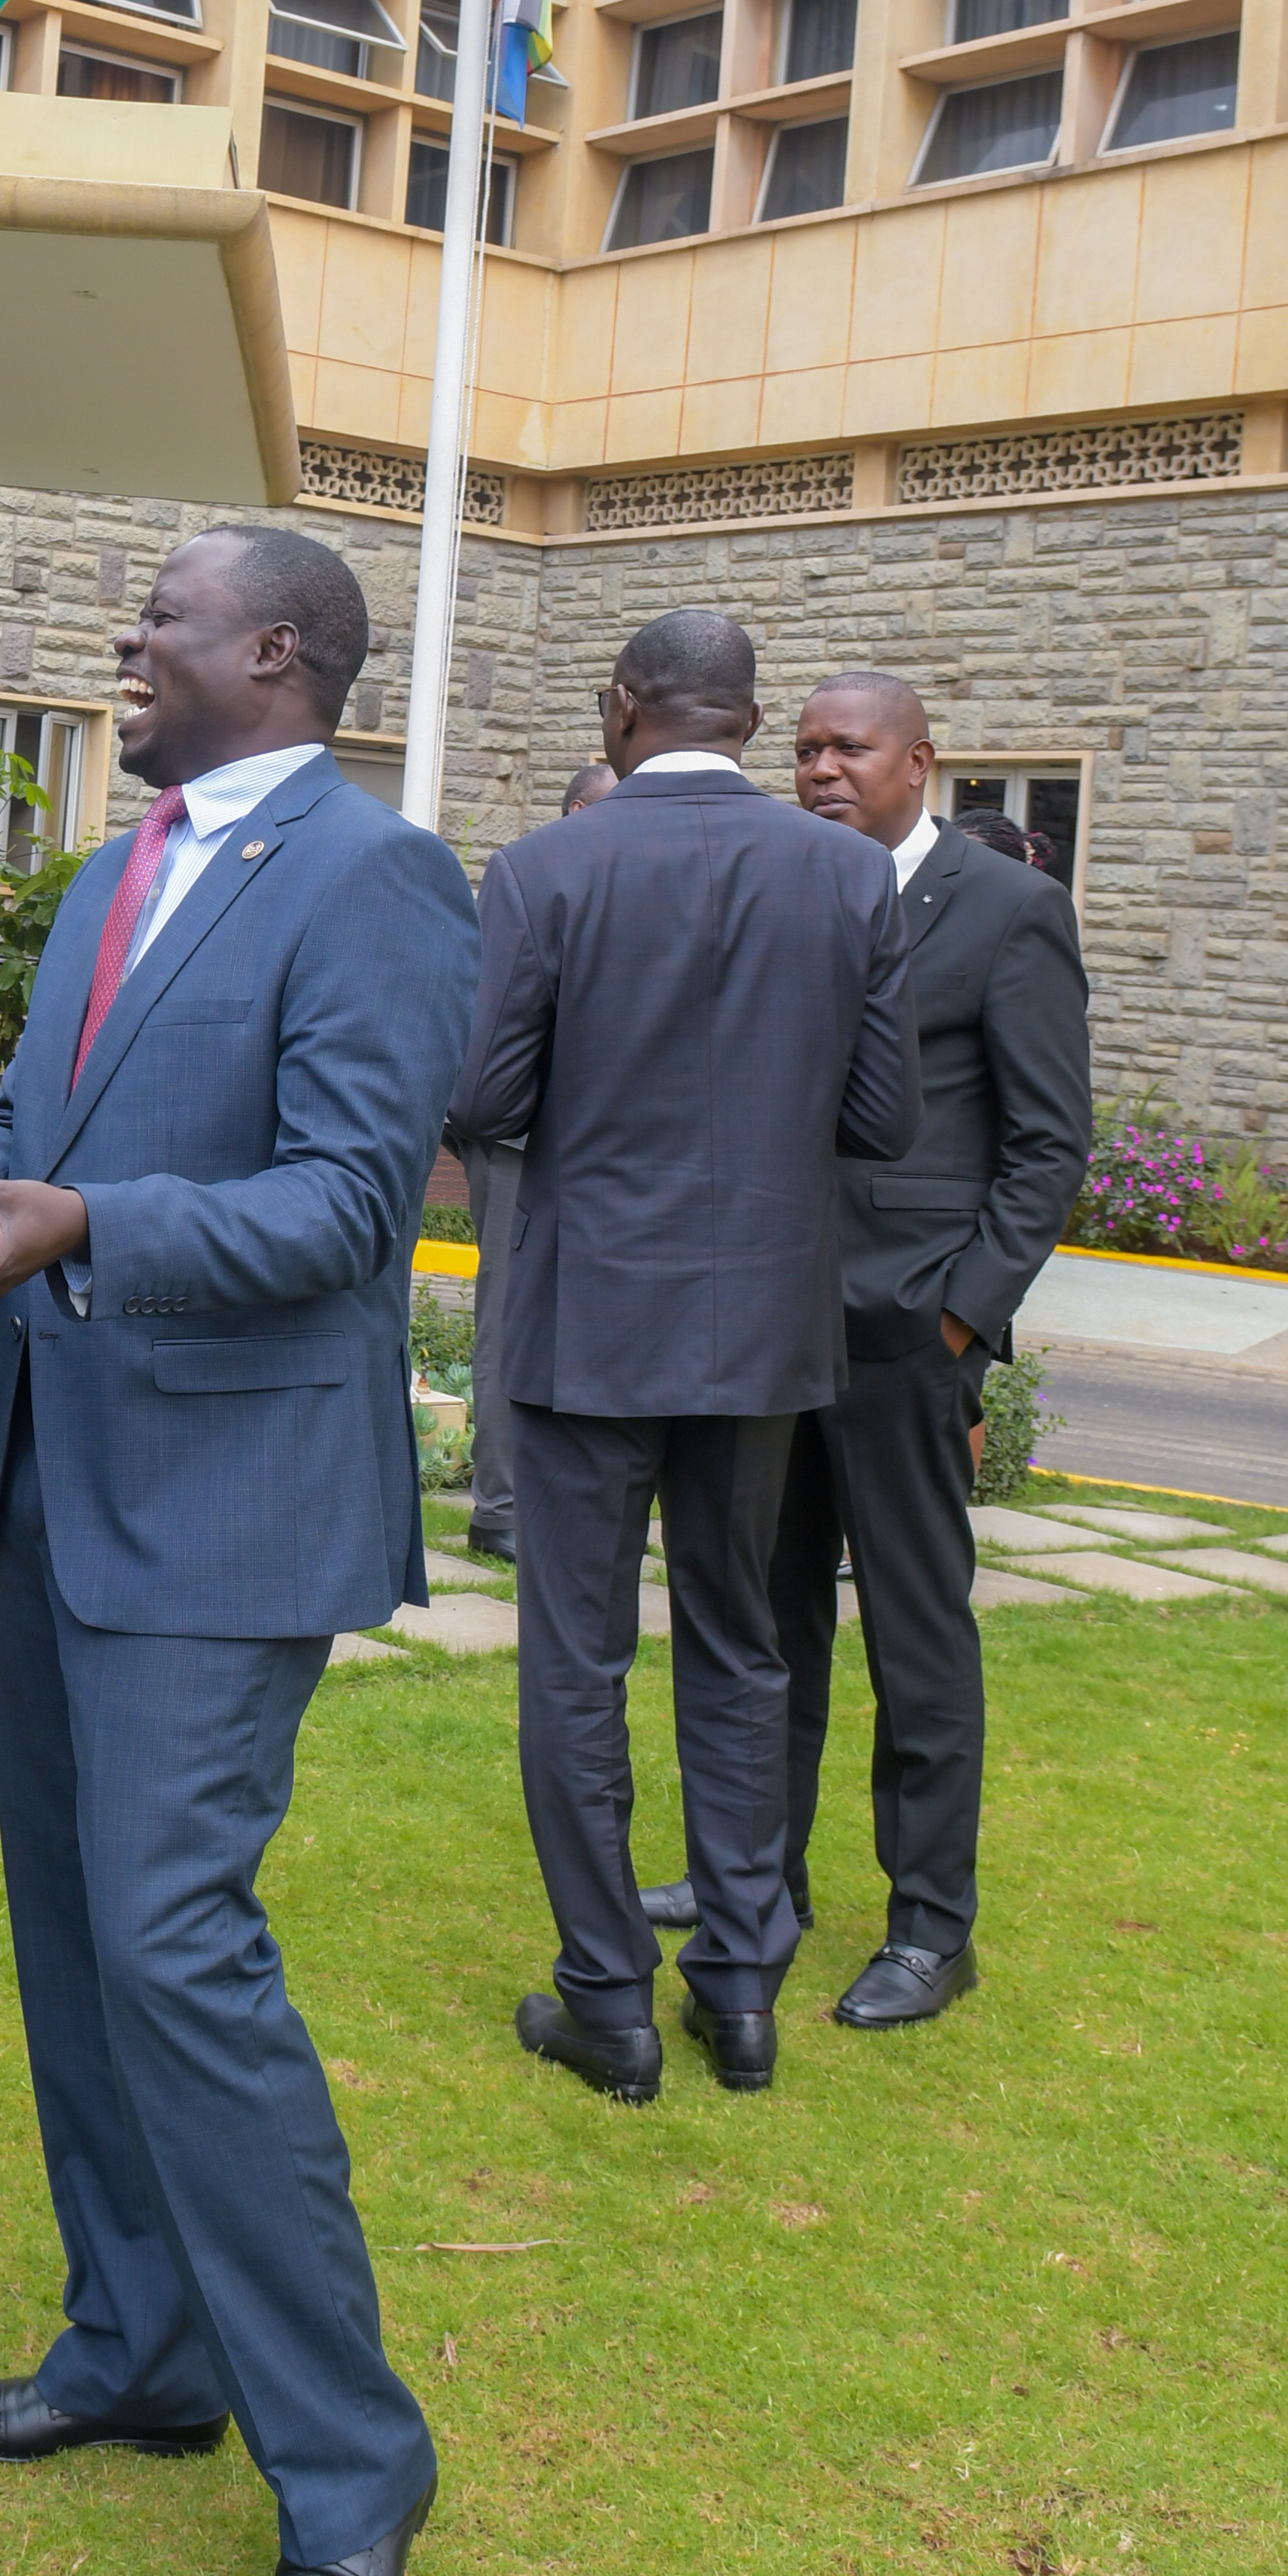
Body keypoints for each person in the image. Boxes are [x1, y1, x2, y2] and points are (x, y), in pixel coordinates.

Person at [0, 528, 479, 2576]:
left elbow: (344, 1200)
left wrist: (82, 1213)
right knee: (78, 1946)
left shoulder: (376, 877)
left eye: (161, 619)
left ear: (274, 656)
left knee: (180, 1948)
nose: (125, 643)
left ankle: (351, 2466)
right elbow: (39, 1118)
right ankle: (135, 2344)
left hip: (227, 1507)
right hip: (60, 1488)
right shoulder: (117, 877)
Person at [451, 609, 918, 2104]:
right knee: (738, 1649)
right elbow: (881, 1121)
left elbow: (482, 1096)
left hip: (588, 1320)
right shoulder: (845, 875)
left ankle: (608, 1997)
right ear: (745, 713)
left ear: (622, 708)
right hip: (763, 1327)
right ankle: (738, 1987)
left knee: (574, 1665)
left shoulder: (543, 869)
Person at [651, 673, 1086, 2030]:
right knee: (764, 1619)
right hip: (772, 1324)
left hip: (907, 1333)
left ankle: (928, 1927)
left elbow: (1046, 1140)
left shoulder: (1007, 909)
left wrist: (962, 1311)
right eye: (804, 750)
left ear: (920, 761)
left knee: (912, 1631)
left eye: (849, 748)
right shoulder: (783, 887)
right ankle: (756, 1879)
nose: (822, 769)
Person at [458, 759, 615, 1565]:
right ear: (581, 807)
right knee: (513, 1322)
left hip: (608, 1150)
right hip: (522, 1142)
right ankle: (503, 1508)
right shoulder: (528, 881)